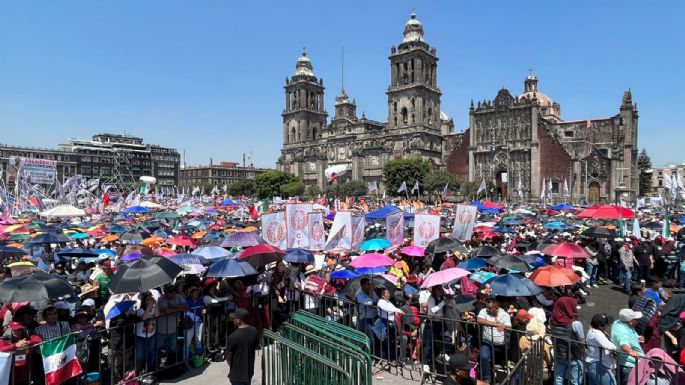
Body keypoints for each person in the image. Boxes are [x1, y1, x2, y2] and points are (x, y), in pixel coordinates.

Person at [549, 297, 585, 385]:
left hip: (559, 354)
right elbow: (582, 340)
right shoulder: (575, 323)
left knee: (558, 379)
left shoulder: (552, 320)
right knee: (575, 381)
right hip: (574, 355)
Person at [476, 297, 511, 384]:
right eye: (487, 307)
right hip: (487, 342)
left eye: (490, 308)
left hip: (501, 344)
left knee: (498, 363)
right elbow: (479, 320)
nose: (487, 309)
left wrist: (504, 326)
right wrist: (496, 325)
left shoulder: (504, 314)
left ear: (496, 307)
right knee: (484, 357)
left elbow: (509, 326)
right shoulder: (484, 311)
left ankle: (500, 379)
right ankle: (487, 379)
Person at [611, 308, 644, 385]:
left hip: (623, 364)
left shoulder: (618, 322)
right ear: (631, 322)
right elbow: (624, 345)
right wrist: (631, 352)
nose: (638, 321)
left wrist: (637, 337)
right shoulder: (623, 331)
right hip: (628, 366)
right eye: (636, 319)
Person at [226, 308, 259, 385]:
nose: (233, 320)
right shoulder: (254, 331)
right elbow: (256, 345)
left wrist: (231, 365)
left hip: (237, 375)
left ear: (239, 320)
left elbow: (228, 357)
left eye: (234, 318)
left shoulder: (233, 337)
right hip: (249, 372)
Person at [157, 284, 188, 359]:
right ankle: (161, 366)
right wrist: (180, 309)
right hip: (162, 331)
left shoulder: (178, 296)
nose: (173, 294)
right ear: (166, 293)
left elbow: (186, 307)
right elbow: (167, 311)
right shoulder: (161, 299)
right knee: (161, 350)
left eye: (174, 292)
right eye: (171, 292)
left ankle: (171, 364)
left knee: (173, 349)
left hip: (174, 329)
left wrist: (173, 307)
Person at [585, 314, 617, 385]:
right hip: (596, 364)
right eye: (606, 324)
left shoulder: (594, 330)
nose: (608, 325)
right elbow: (610, 346)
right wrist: (615, 348)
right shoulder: (597, 333)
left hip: (592, 363)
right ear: (600, 326)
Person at [376, 287, 404, 365]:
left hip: (391, 322)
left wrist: (397, 310)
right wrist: (398, 310)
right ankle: (386, 358)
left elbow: (393, 308)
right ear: (382, 295)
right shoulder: (381, 302)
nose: (388, 294)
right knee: (386, 341)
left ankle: (392, 358)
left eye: (388, 293)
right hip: (384, 322)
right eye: (386, 293)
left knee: (392, 341)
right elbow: (387, 309)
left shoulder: (388, 301)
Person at [356, 277, 379, 344]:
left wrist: (372, 294)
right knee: (370, 339)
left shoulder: (373, 292)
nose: (369, 286)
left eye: (370, 284)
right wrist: (370, 295)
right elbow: (368, 303)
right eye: (368, 284)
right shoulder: (360, 295)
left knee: (377, 337)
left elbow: (378, 301)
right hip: (365, 320)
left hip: (374, 318)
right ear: (363, 285)